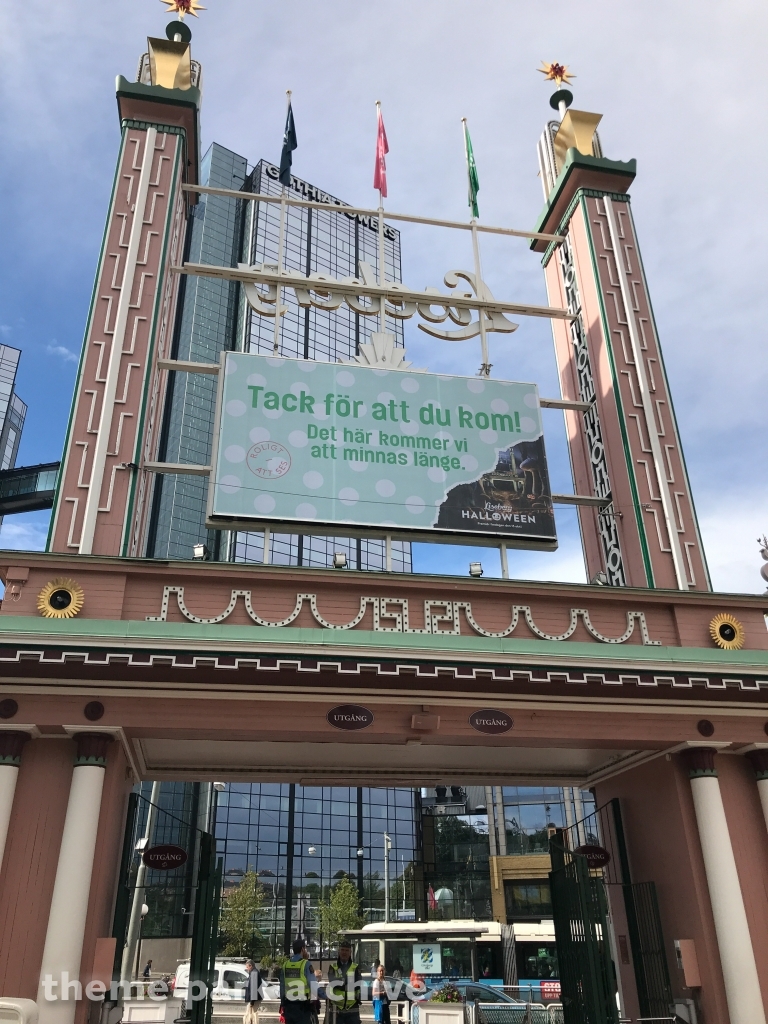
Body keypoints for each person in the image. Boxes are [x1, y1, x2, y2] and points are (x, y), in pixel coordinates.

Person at [280, 938, 317, 1024]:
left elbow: (282, 988)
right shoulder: (306, 964)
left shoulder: (285, 965)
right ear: (303, 949)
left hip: (289, 1007)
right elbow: (314, 985)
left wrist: (283, 1004)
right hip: (303, 1008)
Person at [327, 939, 362, 1024]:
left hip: (352, 1008)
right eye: (342, 950)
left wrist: (340, 982)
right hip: (336, 1009)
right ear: (339, 951)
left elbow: (358, 984)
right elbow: (332, 983)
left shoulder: (355, 967)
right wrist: (349, 982)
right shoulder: (333, 967)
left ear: (350, 953)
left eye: (347, 950)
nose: (344, 952)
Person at [244, 959, 263, 1024]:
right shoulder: (253, 973)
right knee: (251, 1015)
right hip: (254, 999)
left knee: (251, 1016)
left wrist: (252, 1001)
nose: (247, 969)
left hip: (254, 999)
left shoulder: (254, 973)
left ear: (250, 966)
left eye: (247, 967)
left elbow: (254, 988)